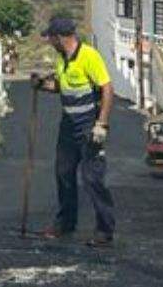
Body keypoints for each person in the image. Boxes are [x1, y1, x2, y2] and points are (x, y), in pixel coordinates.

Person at [34, 15, 115, 245]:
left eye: (51, 37)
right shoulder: (62, 59)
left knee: (92, 178)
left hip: (89, 126)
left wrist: (102, 125)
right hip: (68, 126)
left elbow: (107, 89)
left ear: (60, 38)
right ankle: (66, 223)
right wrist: (42, 85)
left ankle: (104, 230)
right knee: (63, 174)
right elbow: (62, 86)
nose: (49, 41)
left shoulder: (89, 56)